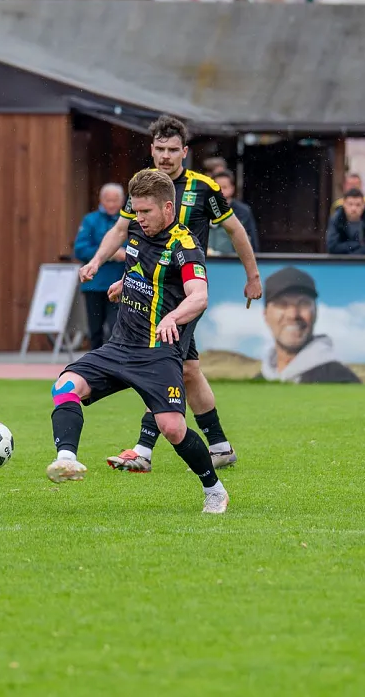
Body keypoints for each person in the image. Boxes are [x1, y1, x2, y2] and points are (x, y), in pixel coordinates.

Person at [82, 115, 262, 473]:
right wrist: (99, 262)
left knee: (161, 362)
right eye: (160, 149)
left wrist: (253, 276)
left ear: (185, 151)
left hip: (184, 297)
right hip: (148, 295)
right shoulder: (144, 187)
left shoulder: (203, 188)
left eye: (173, 150)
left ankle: (143, 450)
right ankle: (220, 446)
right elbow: (122, 231)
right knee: (189, 369)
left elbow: (236, 230)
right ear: (152, 149)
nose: (166, 156)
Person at [48, 169, 229, 513]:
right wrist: (124, 282)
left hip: (157, 354)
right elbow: (141, 268)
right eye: (136, 210)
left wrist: (173, 317)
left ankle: (215, 490)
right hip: (120, 346)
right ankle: (66, 459)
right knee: (65, 386)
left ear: (168, 209)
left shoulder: (185, 246)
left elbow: (199, 296)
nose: (139, 218)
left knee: (172, 427)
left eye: (146, 211)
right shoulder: (135, 229)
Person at [259, 266, 360, 384]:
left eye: (303, 303)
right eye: (282, 304)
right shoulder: (257, 382)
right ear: (266, 315)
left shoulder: (342, 381)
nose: (293, 315)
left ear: (316, 312)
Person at [73, 183, 127, 350]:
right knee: (95, 331)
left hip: (120, 285)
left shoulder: (129, 221)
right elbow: (80, 249)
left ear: (123, 201)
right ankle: (95, 362)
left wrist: (126, 254)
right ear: (101, 200)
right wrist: (110, 254)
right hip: (94, 285)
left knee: (116, 329)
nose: (111, 204)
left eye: (115, 200)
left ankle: (115, 362)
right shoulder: (90, 221)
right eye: (108, 200)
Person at [205, 170, 259, 256]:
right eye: (216, 187)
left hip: (233, 260)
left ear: (232, 188)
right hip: (207, 260)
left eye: (224, 187)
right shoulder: (203, 209)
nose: (220, 190)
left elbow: (252, 242)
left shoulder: (243, 211)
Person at [330, 172, 365, 254]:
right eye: (350, 184)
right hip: (343, 254)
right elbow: (332, 238)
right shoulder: (337, 205)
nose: (354, 208)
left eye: (356, 184)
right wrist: (356, 245)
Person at [326, 188, 365, 256]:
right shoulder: (336, 219)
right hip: (340, 260)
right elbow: (332, 247)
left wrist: (349, 251)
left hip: (364, 261)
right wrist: (358, 245)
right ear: (344, 204)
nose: (354, 208)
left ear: (364, 205)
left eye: (358, 205)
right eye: (350, 204)